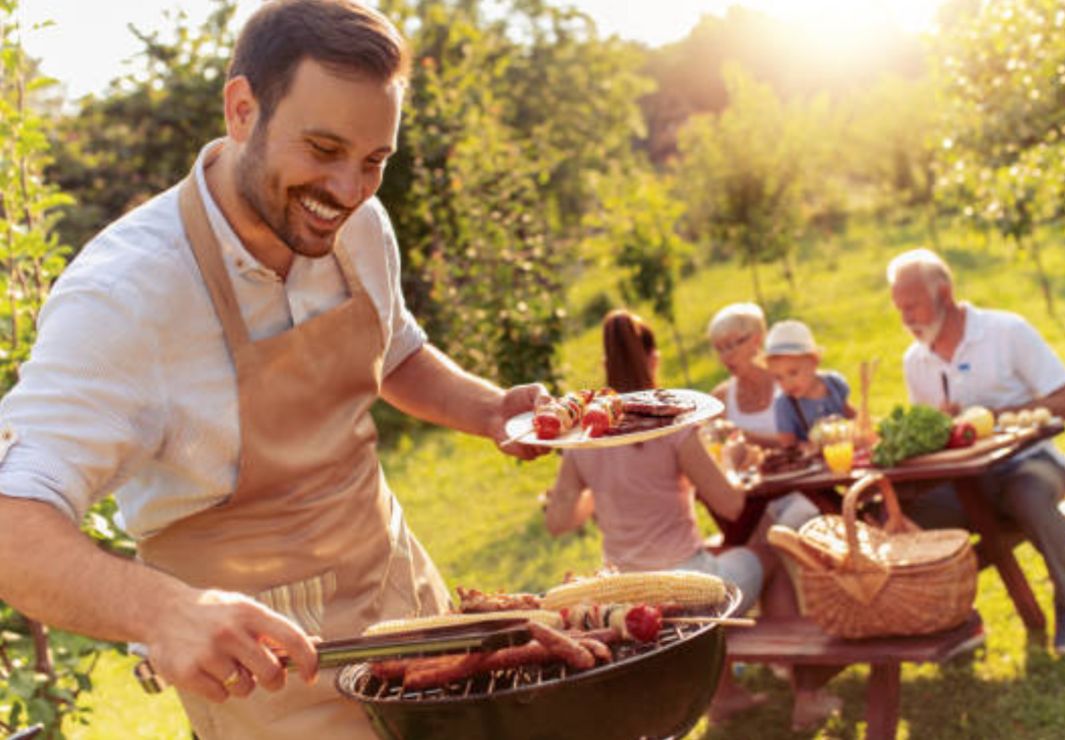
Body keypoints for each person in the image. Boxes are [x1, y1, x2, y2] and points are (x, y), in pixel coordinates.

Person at [0, 2, 549, 737]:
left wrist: (486, 411)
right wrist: (164, 611)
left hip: (409, 613)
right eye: (323, 149)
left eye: (373, 162)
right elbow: (12, 523)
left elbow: (395, 349)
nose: (350, 191)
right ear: (240, 109)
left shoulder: (357, 227)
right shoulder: (124, 298)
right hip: (268, 675)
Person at [542, 309, 836, 730]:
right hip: (687, 588)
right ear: (654, 359)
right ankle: (805, 692)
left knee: (726, 551)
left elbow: (558, 521)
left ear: (606, 366)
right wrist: (733, 461)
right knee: (769, 547)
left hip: (622, 596)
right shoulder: (671, 425)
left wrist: (601, 491)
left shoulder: (583, 439)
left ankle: (727, 695)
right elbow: (731, 505)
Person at [886, 248, 1065, 655]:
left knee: (1028, 496)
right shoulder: (916, 360)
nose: (905, 318)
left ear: (944, 294)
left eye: (912, 305)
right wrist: (939, 429)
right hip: (965, 482)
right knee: (905, 520)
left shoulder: (1007, 331)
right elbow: (933, 440)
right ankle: (959, 621)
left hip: (1030, 465)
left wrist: (994, 415)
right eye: (898, 308)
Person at [763, 319, 856, 450]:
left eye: (793, 373)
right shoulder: (785, 404)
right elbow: (788, 445)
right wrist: (808, 447)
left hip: (845, 455)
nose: (787, 383)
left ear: (814, 362)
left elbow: (851, 415)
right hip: (812, 466)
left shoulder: (833, 384)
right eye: (778, 377)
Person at [708, 302, 782, 448]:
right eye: (719, 349)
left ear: (756, 340)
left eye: (730, 345)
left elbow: (803, 440)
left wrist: (744, 436)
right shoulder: (719, 400)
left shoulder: (786, 383)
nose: (725, 357)